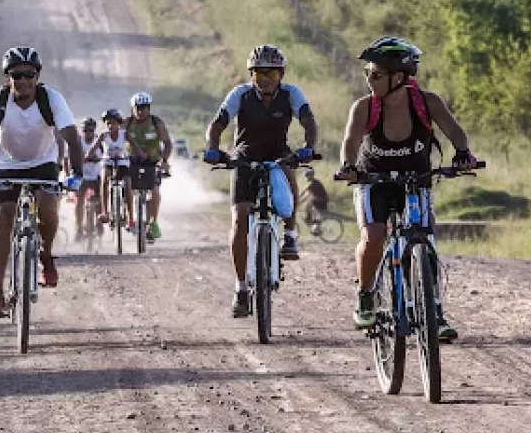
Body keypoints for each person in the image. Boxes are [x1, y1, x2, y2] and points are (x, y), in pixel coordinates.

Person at [335, 36, 478, 342]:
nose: (369, 80)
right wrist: (349, 167)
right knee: (374, 236)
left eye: (375, 74)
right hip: (375, 182)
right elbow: (350, 141)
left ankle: (434, 312)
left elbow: (454, 130)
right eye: (368, 74)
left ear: (398, 78)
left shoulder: (426, 102)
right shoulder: (364, 107)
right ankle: (366, 296)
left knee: (424, 238)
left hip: (416, 180)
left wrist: (463, 154)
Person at [203, 44, 318, 318]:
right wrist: (212, 147)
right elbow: (218, 123)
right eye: (258, 74)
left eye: (271, 74)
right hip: (244, 156)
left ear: (281, 74)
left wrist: (309, 146)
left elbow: (308, 120)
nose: (265, 80)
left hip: (278, 152)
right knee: (240, 217)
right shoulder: (240, 95)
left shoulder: (291, 93)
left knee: (288, 169)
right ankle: (241, 288)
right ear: (251, 76)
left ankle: (290, 235)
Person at [0, 46, 83, 318]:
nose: (23, 81)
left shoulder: (52, 99)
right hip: (5, 163)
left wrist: (76, 174)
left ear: (37, 75)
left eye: (28, 75)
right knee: (3, 217)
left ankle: (46, 255)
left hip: (43, 161)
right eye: (16, 75)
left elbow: (72, 137)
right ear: (8, 77)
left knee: (48, 208)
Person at [124, 92, 172, 241]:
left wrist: (164, 160)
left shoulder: (156, 123)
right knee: (127, 186)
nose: (140, 111)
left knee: (154, 190)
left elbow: (168, 143)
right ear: (132, 108)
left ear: (149, 108)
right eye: (137, 108)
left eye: (143, 107)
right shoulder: (127, 123)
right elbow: (113, 135)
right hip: (132, 160)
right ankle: (129, 218)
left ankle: (153, 222)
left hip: (152, 161)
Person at [87, 108, 141, 232]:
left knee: (127, 183)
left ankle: (130, 218)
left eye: (113, 123)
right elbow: (93, 147)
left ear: (119, 123)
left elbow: (134, 145)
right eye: (108, 123)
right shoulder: (103, 135)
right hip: (108, 161)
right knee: (104, 179)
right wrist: (88, 155)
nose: (111, 126)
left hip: (122, 161)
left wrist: (139, 153)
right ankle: (105, 212)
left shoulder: (124, 134)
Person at [67, 117, 102, 240]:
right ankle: (79, 228)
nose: (88, 133)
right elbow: (68, 159)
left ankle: (99, 221)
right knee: (79, 199)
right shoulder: (77, 143)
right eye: (85, 130)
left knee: (101, 198)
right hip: (82, 176)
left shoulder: (99, 142)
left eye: (91, 130)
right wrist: (69, 176)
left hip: (96, 176)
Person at [299, 168, 329, 236]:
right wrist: (299, 201)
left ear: (311, 175)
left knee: (311, 202)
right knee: (309, 203)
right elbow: (305, 195)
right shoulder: (312, 183)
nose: (306, 177)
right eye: (306, 175)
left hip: (321, 202)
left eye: (307, 175)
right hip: (318, 201)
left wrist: (298, 202)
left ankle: (317, 226)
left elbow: (304, 194)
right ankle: (312, 223)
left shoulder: (314, 183)